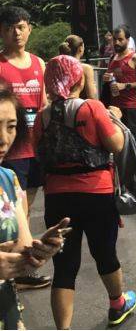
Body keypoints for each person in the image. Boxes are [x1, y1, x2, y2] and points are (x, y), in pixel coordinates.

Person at [32, 56, 136, 329]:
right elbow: (115, 144)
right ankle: (117, 304)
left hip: (57, 197)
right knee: (104, 253)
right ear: (78, 79)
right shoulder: (92, 108)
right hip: (96, 194)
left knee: (64, 266)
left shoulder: (42, 116)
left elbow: (38, 152)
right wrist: (115, 119)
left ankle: (64, 328)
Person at [0, 83, 68, 328]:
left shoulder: (8, 181)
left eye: (11, 127)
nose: (3, 139)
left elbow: (22, 251)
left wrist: (38, 251)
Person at [0, 6, 50, 289]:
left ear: (29, 29)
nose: (16, 33)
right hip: (11, 150)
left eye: (20, 27)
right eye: (9, 28)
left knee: (25, 209)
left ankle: (19, 268)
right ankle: (14, 269)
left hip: (36, 148)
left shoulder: (39, 64)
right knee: (10, 210)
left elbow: (44, 104)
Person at [102, 25, 136, 173]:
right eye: (114, 39)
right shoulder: (112, 58)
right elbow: (112, 79)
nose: (116, 43)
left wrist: (125, 85)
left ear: (128, 40)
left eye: (120, 39)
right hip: (115, 109)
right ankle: (125, 177)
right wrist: (107, 78)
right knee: (119, 144)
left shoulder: (135, 58)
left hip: (132, 108)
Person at [59, 35, 97, 100]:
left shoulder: (59, 67)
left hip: (61, 104)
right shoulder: (86, 68)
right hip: (80, 105)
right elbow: (91, 96)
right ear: (80, 48)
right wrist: (94, 88)